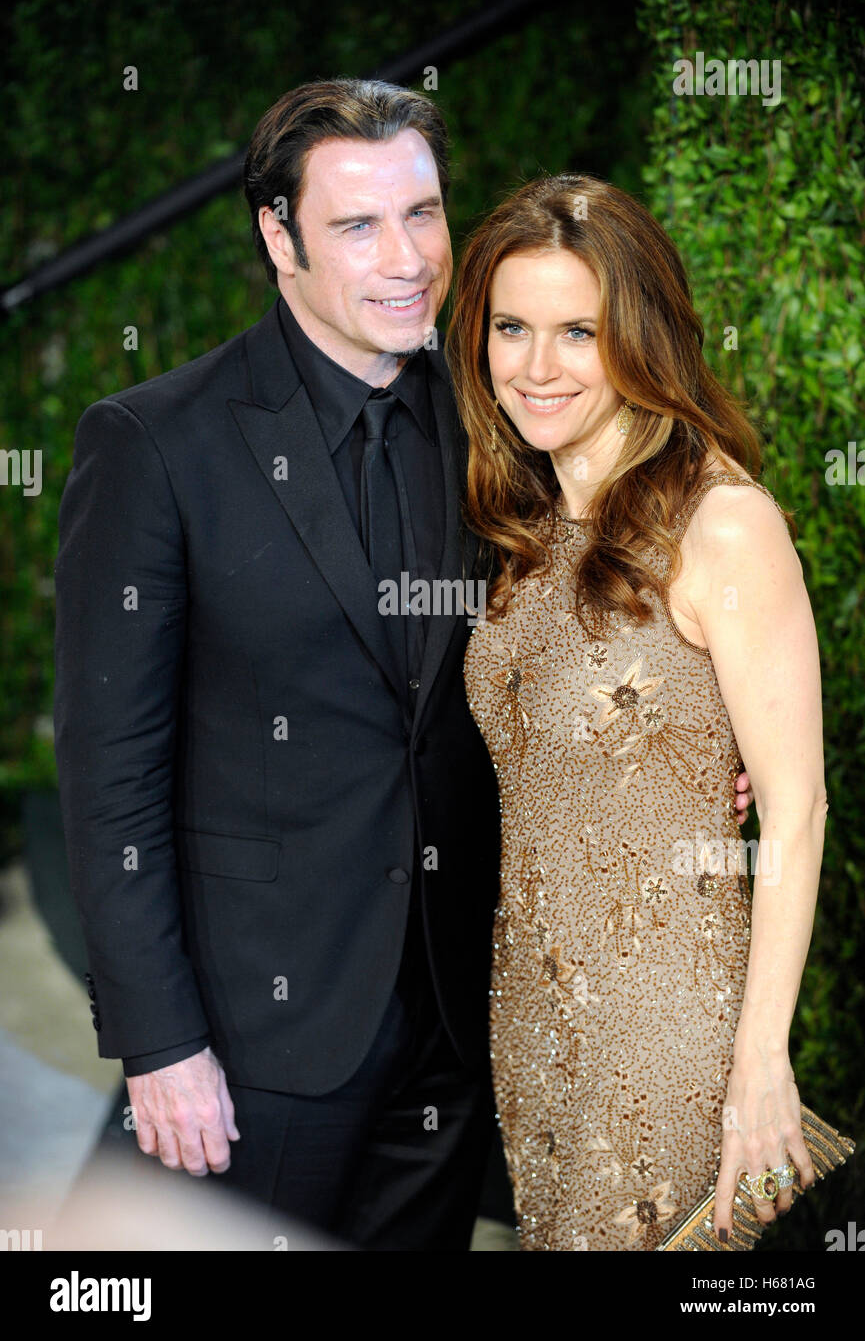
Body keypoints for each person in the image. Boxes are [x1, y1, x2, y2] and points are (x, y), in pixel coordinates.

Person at [52, 82, 754, 1251]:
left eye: (423, 215)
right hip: (253, 1039)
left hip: (456, 1017)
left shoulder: (498, 422)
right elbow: (109, 776)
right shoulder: (155, 445)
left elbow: (582, 640)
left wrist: (690, 758)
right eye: (356, 226)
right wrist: (158, 1043)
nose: (407, 259)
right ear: (278, 237)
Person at [450, 172, 823, 1251]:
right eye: (510, 327)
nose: (535, 365)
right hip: (531, 1028)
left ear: (640, 337)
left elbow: (795, 814)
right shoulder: (522, 528)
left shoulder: (722, 524)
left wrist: (761, 1063)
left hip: (675, 1043)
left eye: (579, 332)